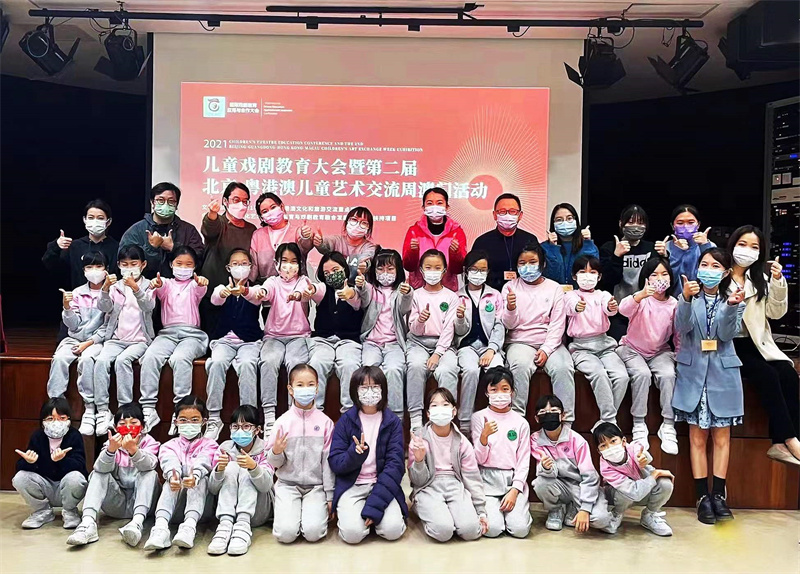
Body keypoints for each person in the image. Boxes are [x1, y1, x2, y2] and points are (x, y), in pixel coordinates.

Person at [672, 250, 746, 524]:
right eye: (704, 264)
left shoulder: (735, 298)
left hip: (723, 376)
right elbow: (682, 328)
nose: (709, 269)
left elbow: (726, 334)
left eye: (716, 266)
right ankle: (702, 496)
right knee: (697, 438)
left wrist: (731, 306)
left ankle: (719, 496)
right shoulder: (688, 296)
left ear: (725, 272)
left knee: (722, 439)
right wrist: (685, 299)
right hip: (693, 375)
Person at [728, 226, 800, 466]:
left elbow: (776, 313)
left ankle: (779, 443)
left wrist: (778, 281)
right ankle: (789, 439)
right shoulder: (720, 274)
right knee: (766, 375)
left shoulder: (760, 279)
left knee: (788, 373)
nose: (747, 250)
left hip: (757, 343)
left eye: (754, 247)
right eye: (743, 244)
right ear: (733, 245)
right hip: (730, 345)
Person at [329, 366, 407, 544]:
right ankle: (363, 520)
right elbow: (335, 462)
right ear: (355, 391)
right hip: (352, 485)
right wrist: (354, 455)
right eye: (364, 387)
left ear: (383, 389)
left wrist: (375, 506)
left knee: (393, 531)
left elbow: (395, 466)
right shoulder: (345, 421)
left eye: (375, 387)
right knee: (352, 535)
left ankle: (372, 517)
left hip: (382, 483)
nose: (370, 392)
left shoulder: (393, 422)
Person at [66, 402, 160, 547]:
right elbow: (99, 468)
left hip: (143, 505)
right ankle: (88, 523)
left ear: (142, 426)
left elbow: (149, 466)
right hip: (116, 504)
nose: (128, 427)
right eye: (122, 423)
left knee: (150, 474)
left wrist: (134, 450)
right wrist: (111, 450)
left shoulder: (150, 443)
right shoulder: (111, 443)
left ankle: (136, 524)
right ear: (115, 428)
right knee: (98, 473)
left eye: (134, 423)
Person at [139, 246, 210, 433]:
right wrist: (154, 284)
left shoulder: (195, 284)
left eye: (188, 264)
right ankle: (148, 409)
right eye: (179, 263)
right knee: (150, 356)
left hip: (192, 335)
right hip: (167, 334)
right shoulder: (166, 283)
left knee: (180, 358)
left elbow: (201, 287)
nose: (183, 268)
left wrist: (202, 282)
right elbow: (158, 288)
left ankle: (180, 411)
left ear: (195, 267)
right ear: (171, 264)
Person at [501, 242, 574, 418]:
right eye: (522, 263)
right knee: (520, 366)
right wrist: (510, 308)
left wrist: (547, 349)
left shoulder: (554, 288)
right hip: (519, 342)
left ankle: (566, 420)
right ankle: (516, 419)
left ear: (543, 263)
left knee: (563, 368)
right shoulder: (510, 287)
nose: (527, 267)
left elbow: (557, 323)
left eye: (532, 262)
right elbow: (508, 325)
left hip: (550, 342)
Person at [615, 257, 679, 454]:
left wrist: (679, 354)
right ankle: (639, 424)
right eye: (654, 275)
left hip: (660, 351)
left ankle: (668, 425)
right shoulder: (640, 299)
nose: (660, 278)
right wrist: (641, 295)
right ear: (646, 278)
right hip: (632, 349)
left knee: (668, 375)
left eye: (664, 274)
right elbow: (623, 309)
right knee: (642, 374)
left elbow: (678, 333)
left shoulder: (674, 304)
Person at [408, 387, 488, 542]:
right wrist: (419, 461)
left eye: (445, 405)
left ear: (454, 411)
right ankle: (421, 507)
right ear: (428, 413)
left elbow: (472, 477)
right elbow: (418, 481)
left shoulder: (462, 442)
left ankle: (451, 515)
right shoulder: (419, 440)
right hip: (428, 486)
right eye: (434, 405)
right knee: (443, 532)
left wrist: (481, 511)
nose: (440, 409)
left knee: (471, 531)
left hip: (455, 485)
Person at [267, 364, 335, 544]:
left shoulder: (326, 423)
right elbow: (274, 462)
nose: (306, 389)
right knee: (286, 534)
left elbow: (328, 462)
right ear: (290, 389)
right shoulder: (282, 423)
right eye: (300, 385)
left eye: (310, 384)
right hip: (288, 485)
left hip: (316, 487)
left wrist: (330, 495)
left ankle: (310, 515)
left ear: (317, 387)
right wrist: (276, 451)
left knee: (313, 533)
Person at [257, 242, 318, 434]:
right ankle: (269, 417)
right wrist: (261, 293)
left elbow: (305, 294)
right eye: (284, 261)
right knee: (268, 362)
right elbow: (265, 292)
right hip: (273, 337)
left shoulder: (303, 281)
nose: (288, 266)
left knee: (297, 365)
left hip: (299, 337)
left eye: (293, 261)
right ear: (276, 263)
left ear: (300, 264)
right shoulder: (273, 281)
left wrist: (300, 295)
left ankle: (296, 413)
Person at [94, 245, 155, 436]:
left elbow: (148, 306)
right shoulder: (115, 286)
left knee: (122, 361)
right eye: (124, 264)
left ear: (143, 265)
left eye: (133, 264)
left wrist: (136, 288)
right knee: (101, 361)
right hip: (116, 339)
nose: (129, 268)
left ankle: (125, 410)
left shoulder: (150, 285)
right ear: (119, 265)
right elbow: (104, 308)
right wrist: (105, 289)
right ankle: (103, 411)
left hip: (140, 340)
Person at [204, 248, 264, 440]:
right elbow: (215, 300)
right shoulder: (221, 288)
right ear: (228, 268)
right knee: (216, 363)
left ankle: (249, 419)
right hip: (224, 341)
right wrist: (224, 293)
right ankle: (214, 417)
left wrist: (244, 291)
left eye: (244, 263)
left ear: (251, 267)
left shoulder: (256, 288)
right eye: (235, 264)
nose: (240, 267)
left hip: (249, 341)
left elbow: (256, 297)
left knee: (247, 365)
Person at [143, 395, 218, 551]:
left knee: (199, 479)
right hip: (174, 508)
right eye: (183, 420)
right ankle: (160, 528)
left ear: (204, 422)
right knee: (171, 480)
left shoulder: (211, 445)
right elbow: (169, 462)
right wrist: (173, 477)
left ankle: (189, 528)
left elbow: (204, 460)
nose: (188, 424)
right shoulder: (168, 446)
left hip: (201, 510)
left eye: (194, 420)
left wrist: (195, 475)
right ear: (175, 421)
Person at [531, 394, 614, 533]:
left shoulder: (577, 440)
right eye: (543, 412)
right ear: (537, 418)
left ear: (563, 415)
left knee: (601, 520)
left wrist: (585, 509)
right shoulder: (535, 439)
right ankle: (556, 510)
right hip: (557, 484)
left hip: (580, 486)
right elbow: (546, 474)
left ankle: (574, 508)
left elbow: (590, 477)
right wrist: (546, 468)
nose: (549, 415)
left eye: (554, 411)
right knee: (540, 483)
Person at [47, 252, 108, 436]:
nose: (94, 271)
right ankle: (55, 405)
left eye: (98, 266)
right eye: (89, 267)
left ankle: (89, 408)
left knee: (87, 360)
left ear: (106, 270)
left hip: (97, 341)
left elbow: (108, 326)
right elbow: (72, 325)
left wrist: (87, 344)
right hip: (74, 338)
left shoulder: (111, 293)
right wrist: (67, 308)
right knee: (59, 358)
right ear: (83, 271)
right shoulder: (77, 293)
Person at [565, 256, 628, 427]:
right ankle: (610, 421)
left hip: (605, 345)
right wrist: (577, 307)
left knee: (622, 376)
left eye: (592, 272)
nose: (588, 275)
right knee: (599, 374)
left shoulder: (603, 294)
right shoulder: (571, 295)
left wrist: (611, 307)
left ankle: (606, 420)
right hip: (581, 348)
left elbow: (609, 308)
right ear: (574, 276)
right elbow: (571, 306)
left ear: (599, 277)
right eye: (582, 271)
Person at [470, 367, 532, 539]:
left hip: (511, 480)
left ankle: (516, 513)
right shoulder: (478, 418)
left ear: (512, 392)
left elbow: (523, 460)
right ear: (486, 392)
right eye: (494, 389)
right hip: (486, 479)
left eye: (505, 389)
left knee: (520, 530)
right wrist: (484, 437)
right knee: (492, 529)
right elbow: (478, 459)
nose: (500, 394)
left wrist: (515, 490)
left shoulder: (521, 423)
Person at [405, 249, 460, 432]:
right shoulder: (415, 295)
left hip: (444, 345)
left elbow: (449, 328)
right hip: (417, 342)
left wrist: (438, 353)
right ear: (421, 270)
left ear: (444, 271)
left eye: (437, 267)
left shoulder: (451, 297)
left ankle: (447, 416)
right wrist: (420, 320)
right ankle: (415, 420)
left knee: (448, 369)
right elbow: (413, 328)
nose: (433, 271)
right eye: (428, 267)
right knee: (415, 366)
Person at [207, 405, 274, 556]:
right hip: (228, 511)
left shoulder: (265, 449)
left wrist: (254, 467)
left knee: (245, 467)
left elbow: (266, 486)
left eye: (246, 426)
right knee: (231, 466)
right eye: (235, 426)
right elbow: (212, 489)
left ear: (257, 430)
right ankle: (224, 526)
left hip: (257, 511)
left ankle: (243, 528)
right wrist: (219, 470)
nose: (240, 430)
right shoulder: (224, 449)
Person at [12, 397, 88, 529]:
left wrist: (62, 460)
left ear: (69, 420)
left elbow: (80, 466)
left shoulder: (74, 435)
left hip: (66, 488)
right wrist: (30, 462)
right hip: (45, 487)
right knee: (20, 478)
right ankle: (42, 512)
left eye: (62, 418)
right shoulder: (38, 436)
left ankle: (70, 512)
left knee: (76, 478)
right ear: (43, 422)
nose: (56, 422)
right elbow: (20, 466)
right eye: (50, 418)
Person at [356, 249, 413, 421]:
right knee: (368, 369)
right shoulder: (372, 289)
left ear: (398, 270)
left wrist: (407, 294)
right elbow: (364, 297)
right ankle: (368, 414)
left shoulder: (401, 291)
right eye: (380, 269)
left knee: (394, 370)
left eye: (390, 269)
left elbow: (404, 308)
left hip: (394, 344)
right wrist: (360, 284)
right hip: (371, 343)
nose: (385, 273)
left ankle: (396, 418)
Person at [454, 250, 505, 434]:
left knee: (498, 371)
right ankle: (465, 422)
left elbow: (499, 325)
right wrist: (460, 319)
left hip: (489, 346)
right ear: (466, 271)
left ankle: (498, 417)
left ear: (488, 272)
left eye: (482, 270)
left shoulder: (495, 295)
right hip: (466, 346)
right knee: (470, 370)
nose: (478, 274)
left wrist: (492, 349)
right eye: (474, 269)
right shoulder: (457, 296)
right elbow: (458, 332)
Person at [594, 422, 674, 537]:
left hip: (643, 490)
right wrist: (654, 475)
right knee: (625, 492)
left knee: (665, 484)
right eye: (603, 445)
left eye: (613, 441)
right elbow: (633, 492)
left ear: (623, 441)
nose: (610, 448)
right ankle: (617, 514)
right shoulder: (606, 469)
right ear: (599, 451)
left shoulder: (633, 448)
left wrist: (644, 457)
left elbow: (642, 454)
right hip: (619, 497)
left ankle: (649, 515)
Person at [307, 252, 364, 413]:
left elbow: (355, 300)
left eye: (335, 270)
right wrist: (311, 289)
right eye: (327, 273)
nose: (331, 275)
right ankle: (314, 411)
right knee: (317, 362)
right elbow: (316, 290)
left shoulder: (355, 290)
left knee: (350, 365)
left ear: (345, 269)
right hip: (323, 340)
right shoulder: (323, 289)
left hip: (349, 341)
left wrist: (349, 294)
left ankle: (349, 413)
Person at [200, 182, 258, 332]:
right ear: (225, 201)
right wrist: (212, 214)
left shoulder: (251, 229)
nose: (241, 205)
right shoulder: (219, 222)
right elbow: (209, 230)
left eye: (245, 201)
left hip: (240, 296)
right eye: (236, 200)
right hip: (214, 292)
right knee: (213, 338)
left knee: (243, 337)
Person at [118, 182, 205, 278]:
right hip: (145, 285)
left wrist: (173, 247)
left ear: (176, 205)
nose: (166, 204)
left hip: (181, 286)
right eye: (160, 200)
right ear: (152, 202)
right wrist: (152, 248)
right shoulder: (135, 231)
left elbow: (199, 261)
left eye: (171, 201)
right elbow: (125, 261)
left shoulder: (189, 231)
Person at [598, 204, 659, 340]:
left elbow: (659, 278)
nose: (636, 226)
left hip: (645, 310)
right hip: (618, 312)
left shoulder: (651, 248)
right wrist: (616, 256)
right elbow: (607, 281)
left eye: (640, 222)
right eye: (631, 222)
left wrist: (665, 256)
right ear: (621, 224)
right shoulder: (609, 248)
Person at [470, 193, 548, 291]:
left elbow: (539, 269)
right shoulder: (482, 242)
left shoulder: (530, 239)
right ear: (495, 215)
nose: (507, 215)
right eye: (502, 211)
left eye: (512, 211)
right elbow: (473, 273)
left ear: (520, 215)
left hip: (525, 294)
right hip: (491, 295)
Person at [42, 199, 120, 289]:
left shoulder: (117, 247)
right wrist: (56, 246)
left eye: (100, 218)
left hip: (110, 296)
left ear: (108, 222)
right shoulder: (74, 247)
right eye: (91, 217)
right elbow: (52, 266)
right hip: (79, 296)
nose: (95, 221)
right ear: (84, 220)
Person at [402, 187, 467, 291]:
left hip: (447, 290)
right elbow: (408, 266)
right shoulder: (414, 231)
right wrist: (413, 252)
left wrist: (455, 253)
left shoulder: (457, 231)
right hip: (419, 290)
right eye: (430, 203)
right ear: (423, 207)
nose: (434, 207)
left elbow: (458, 269)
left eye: (439, 203)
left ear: (447, 207)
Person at [249, 192, 313, 282]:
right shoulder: (258, 235)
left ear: (282, 207)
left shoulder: (297, 232)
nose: (270, 212)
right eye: (265, 211)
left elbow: (305, 247)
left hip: (295, 286)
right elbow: (254, 267)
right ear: (262, 217)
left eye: (273, 207)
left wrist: (305, 236)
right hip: (265, 286)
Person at [654, 204, 715, 294]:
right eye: (680, 223)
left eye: (691, 222)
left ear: (698, 225)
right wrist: (671, 254)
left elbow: (711, 276)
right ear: (672, 226)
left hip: (700, 298)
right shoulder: (665, 247)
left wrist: (705, 246)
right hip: (672, 298)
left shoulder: (709, 246)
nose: (685, 226)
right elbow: (667, 280)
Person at [542, 203, 599, 288]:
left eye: (569, 218)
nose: (565, 223)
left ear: (576, 221)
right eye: (559, 220)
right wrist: (553, 247)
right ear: (553, 223)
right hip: (553, 293)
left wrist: (587, 243)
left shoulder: (588, 246)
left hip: (581, 293)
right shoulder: (545, 247)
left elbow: (591, 272)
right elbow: (551, 275)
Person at [315, 206, 378, 273]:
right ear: (346, 222)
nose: (357, 225)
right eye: (354, 220)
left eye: (364, 223)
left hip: (359, 279)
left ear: (369, 228)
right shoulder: (337, 240)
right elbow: (324, 245)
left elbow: (367, 258)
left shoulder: (369, 247)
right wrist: (319, 242)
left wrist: (364, 264)